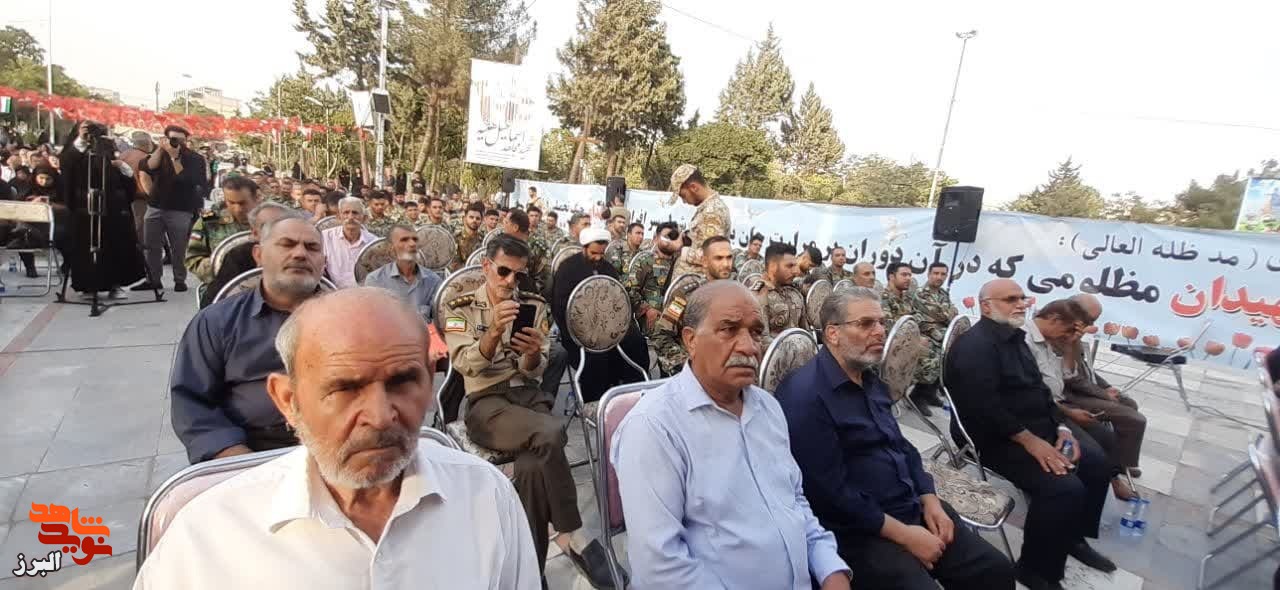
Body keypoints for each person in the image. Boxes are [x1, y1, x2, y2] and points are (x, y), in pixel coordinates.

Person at [137, 288, 540, 589]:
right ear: (288, 401)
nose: (380, 417)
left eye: (403, 381)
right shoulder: (208, 536)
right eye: (345, 389)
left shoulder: (487, 497)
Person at [612, 281, 852, 590]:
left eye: (756, 332)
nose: (749, 347)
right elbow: (660, 567)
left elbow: (792, 500)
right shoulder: (654, 427)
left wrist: (830, 568)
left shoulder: (768, 408)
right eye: (729, 330)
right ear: (691, 340)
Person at [777, 288, 1015, 590]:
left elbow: (901, 445)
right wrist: (905, 535)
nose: (879, 332)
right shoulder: (805, 396)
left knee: (995, 571)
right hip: (860, 531)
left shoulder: (869, 379)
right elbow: (831, 495)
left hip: (911, 505)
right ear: (833, 333)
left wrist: (929, 498)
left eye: (881, 322)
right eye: (866, 323)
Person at [442, 235, 616, 587]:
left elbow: (535, 371)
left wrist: (534, 353)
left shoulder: (533, 306)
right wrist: (493, 332)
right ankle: (571, 533)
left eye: (519, 275)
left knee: (532, 467)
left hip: (527, 397)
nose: (511, 281)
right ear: (487, 266)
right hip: (486, 402)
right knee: (551, 432)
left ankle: (531, 571)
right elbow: (464, 364)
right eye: (504, 272)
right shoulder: (459, 306)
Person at [945, 279, 1114, 590]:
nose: (1021, 304)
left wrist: (1062, 428)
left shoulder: (1016, 338)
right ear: (986, 306)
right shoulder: (975, 347)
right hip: (993, 436)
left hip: (1036, 425)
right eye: (1011, 299)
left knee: (1097, 463)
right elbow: (983, 408)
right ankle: (1035, 570)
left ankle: (1073, 538)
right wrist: (1030, 441)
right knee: (1064, 489)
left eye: (1022, 298)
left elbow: (1041, 390)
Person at [171, 216, 327, 463]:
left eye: (312, 247)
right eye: (287, 244)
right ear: (259, 255)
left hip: (337, 444)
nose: (300, 253)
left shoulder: (351, 319)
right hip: (252, 450)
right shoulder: (217, 322)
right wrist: (235, 457)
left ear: (323, 262)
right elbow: (191, 403)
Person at [1025, 299, 1139, 501]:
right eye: (1085, 321)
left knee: (1107, 434)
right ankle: (1109, 477)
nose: (1087, 327)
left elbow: (1073, 372)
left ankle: (1114, 472)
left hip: (1057, 404)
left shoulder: (1056, 336)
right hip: (1062, 402)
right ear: (1056, 319)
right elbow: (1062, 384)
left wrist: (1103, 388)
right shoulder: (1034, 339)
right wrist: (1068, 415)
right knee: (1098, 447)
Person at [550, 227, 649, 403]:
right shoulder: (567, 269)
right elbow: (559, 307)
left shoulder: (608, 268)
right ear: (584, 247)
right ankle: (596, 404)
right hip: (578, 333)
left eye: (601, 254)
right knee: (597, 358)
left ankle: (633, 395)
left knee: (636, 342)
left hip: (608, 326)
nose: (597, 258)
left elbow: (618, 300)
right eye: (593, 253)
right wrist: (584, 331)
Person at [54, 121, 146, 298]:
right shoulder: (74, 150)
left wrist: (124, 170)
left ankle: (115, 285)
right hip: (85, 210)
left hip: (111, 210)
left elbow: (122, 180)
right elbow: (67, 166)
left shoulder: (105, 145)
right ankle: (88, 286)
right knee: (86, 250)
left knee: (115, 248)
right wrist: (82, 139)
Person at [1063, 293, 1148, 481]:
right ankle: (1118, 468)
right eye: (1089, 319)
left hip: (1086, 389)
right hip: (1072, 396)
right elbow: (1071, 379)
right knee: (1135, 419)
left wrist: (1107, 387)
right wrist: (1103, 394)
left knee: (1129, 403)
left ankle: (1123, 458)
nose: (1091, 324)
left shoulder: (1076, 335)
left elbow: (1085, 368)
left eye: (1094, 320)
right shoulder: (1061, 335)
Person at [135, 125, 207, 292]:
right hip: (156, 205)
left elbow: (186, 179)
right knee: (151, 245)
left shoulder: (194, 158)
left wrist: (175, 158)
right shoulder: (161, 154)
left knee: (179, 247)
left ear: (186, 140)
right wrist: (161, 149)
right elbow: (147, 167)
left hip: (181, 208)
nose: (177, 143)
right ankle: (153, 279)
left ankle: (179, 279)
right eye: (173, 139)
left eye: (181, 140)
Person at [650, 236, 735, 376]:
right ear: (705, 262)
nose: (726, 264)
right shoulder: (686, 295)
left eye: (729, 257)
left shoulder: (739, 296)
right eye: (719, 258)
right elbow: (661, 336)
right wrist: (687, 365)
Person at [199, 203, 294, 309]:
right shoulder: (239, 256)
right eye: (266, 227)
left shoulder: (302, 255)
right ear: (255, 233)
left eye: (281, 225)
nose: (276, 231)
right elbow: (214, 300)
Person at [882, 262, 942, 415]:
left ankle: (918, 394)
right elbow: (888, 329)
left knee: (941, 352)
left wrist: (933, 333)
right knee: (931, 362)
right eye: (904, 275)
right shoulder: (884, 298)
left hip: (907, 342)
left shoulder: (907, 298)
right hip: (889, 346)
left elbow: (918, 319)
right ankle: (906, 395)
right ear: (891, 277)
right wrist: (915, 340)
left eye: (910, 275)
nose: (908, 278)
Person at [363, 224, 443, 324]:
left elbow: (441, 320)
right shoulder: (375, 280)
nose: (412, 244)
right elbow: (372, 321)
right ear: (391, 248)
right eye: (404, 240)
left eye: (415, 239)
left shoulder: (433, 281)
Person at [185, 176, 258, 285]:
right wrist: (219, 268)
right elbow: (192, 258)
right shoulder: (210, 219)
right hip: (223, 284)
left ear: (255, 198)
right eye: (231, 203)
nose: (238, 209)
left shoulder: (272, 216)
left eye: (243, 203)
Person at [669, 164, 730, 277]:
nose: (684, 201)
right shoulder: (707, 209)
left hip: (699, 283)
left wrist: (681, 250)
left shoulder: (712, 212)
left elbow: (713, 256)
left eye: (683, 196)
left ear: (694, 187)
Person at [911, 262, 957, 409]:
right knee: (934, 358)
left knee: (950, 357)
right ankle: (917, 396)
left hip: (943, 334)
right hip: (924, 333)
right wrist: (946, 314)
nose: (939, 277)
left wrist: (946, 315)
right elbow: (941, 314)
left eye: (943, 274)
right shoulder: (921, 293)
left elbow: (952, 314)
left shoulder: (943, 294)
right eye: (936, 273)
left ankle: (930, 393)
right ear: (929, 274)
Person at [623, 221, 680, 335]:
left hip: (675, 319)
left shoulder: (680, 264)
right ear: (656, 239)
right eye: (666, 237)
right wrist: (647, 309)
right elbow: (630, 291)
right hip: (652, 320)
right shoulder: (645, 260)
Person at [753, 242, 808, 344]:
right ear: (773, 267)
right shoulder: (758, 295)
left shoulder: (795, 293)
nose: (795, 271)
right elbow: (760, 340)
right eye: (790, 266)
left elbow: (805, 333)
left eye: (795, 266)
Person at [322, 197, 378, 289]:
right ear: (339, 217)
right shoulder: (325, 237)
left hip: (363, 292)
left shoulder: (373, 243)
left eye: (355, 213)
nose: (350, 217)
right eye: (346, 213)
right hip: (332, 292)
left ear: (364, 218)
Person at [118, 131, 154, 239]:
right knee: (140, 227)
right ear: (146, 144)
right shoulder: (146, 158)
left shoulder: (123, 155)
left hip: (123, 196)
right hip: (140, 197)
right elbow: (145, 180)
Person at [451, 202, 486, 269]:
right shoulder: (455, 239)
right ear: (464, 219)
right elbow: (454, 265)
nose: (474, 220)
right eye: (471, 217)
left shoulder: (484, 240)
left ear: (481, 221)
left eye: (478, 218)